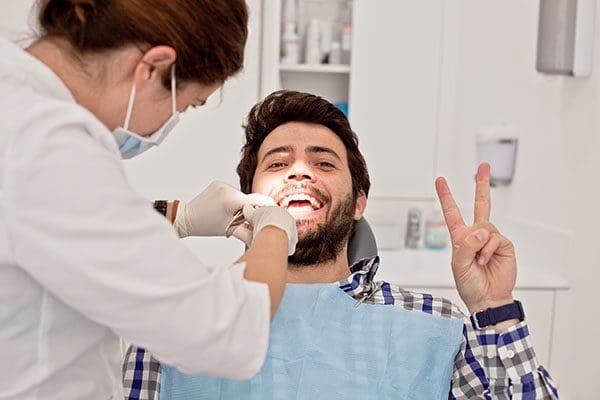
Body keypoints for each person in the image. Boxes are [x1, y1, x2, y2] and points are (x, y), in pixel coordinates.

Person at [124, 90, 559, 399]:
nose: (299, 172)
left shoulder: (435, 325)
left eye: (323, 162)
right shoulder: (176, 320)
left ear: (358, 203)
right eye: (277, 162)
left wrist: (493, 308)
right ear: (245, 200)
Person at [0, 1, 298, 398]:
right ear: (154, 66)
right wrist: (274, 230)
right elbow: (226, 329)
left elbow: (42, 229)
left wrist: (176, 217)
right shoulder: (48, 144)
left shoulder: (17, 103)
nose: (169, 123)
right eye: (186, 104)